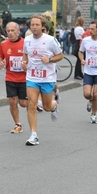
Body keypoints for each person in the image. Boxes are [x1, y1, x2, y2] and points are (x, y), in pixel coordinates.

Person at [21, 15, 63, 146]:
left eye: (37, 25)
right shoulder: (27, 40)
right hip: (32, 77)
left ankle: (54, 105)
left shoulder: (50, 40)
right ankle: (33, 135)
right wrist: (24, 63)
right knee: (31, 104)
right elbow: (25, 54)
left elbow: (60, 55)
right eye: (32, 25)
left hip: (47, 78)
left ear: (42, 26)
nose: (34, 27)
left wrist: (49, 60)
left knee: (46, 106)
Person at [0, 22, 27, 133]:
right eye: (8, 31)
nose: (10, 33)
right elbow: (0, 56)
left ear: (18, 31)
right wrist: (1, 63)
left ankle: (36, 102)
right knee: (12, 101)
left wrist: (26, 65)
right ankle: (18, 124)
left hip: (24, 78)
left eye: (12, 30)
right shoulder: (3, 44)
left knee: (23, 104)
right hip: (10, 77)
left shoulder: (25, 43)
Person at [78, 21, 97, 124]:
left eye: (92, 29)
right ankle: (89, 100)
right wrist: (82, 59)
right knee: (87, 94)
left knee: (96, 94)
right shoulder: (86, 41)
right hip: (88, 71)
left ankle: (93, 115)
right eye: (89, 28)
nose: (90, 31)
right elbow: (80, 52)